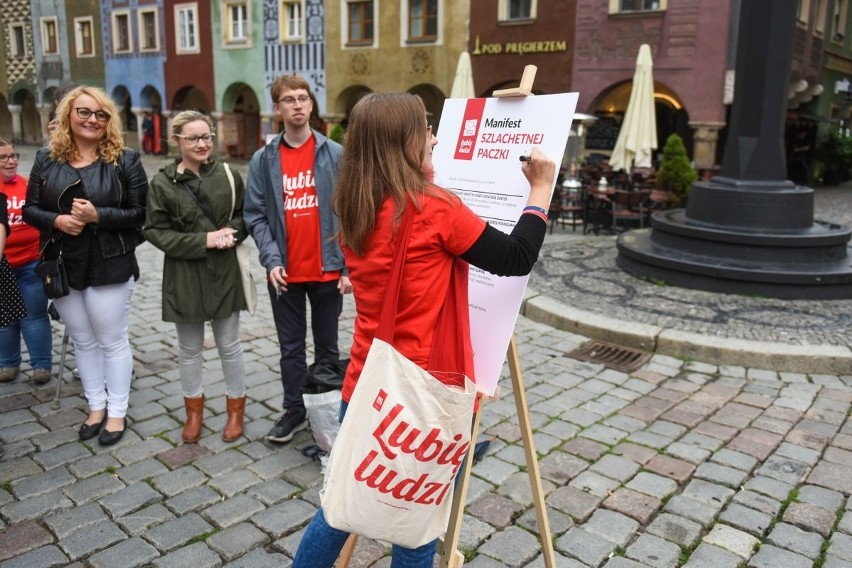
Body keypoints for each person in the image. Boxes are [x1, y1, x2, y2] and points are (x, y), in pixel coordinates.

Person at [291, 93, 556, 566]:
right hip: (424, 392)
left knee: (338, 508)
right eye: (425, 129)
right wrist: (540, 189)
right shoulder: (435, 208)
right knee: (414, 530)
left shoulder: (354, 201)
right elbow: (516, 257)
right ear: (404, 141)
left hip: (368, 381)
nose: (434, 136)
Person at [23, 86, 147, 446]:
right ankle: (95, 406)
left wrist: (98, 215)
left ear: (109, 120)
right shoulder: (47, 158)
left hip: (109, 260)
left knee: (111, 340)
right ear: (68, 115)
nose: (92, 120)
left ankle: (117, 411)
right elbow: (31, 209)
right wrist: (58, 222)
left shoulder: (125, 159)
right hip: (63, 261)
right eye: (84, 112)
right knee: (82, 340)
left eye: (101, 114)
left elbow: (141, 216)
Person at [244, 73, 352, 444]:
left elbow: (351, 211)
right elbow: (255, 213)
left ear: (311, 104)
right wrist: (271, 260)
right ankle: (294, 409)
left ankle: (327, 410)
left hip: (327, 270)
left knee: (328, 348)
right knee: (290, 348)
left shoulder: (334, 154)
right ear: (277, 108)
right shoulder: (264, 159)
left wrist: (348, 266)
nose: (298, 105)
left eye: (303, 98)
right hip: (285, 273)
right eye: (289, 99)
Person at [145, 110, 248, 443]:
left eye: (206, 136)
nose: (202, 143)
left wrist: (233, 233)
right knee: (189, 350)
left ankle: (236, 412)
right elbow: (154, 231)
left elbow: (245, 216)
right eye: (193, 138)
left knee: (229, 346)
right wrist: (202, 240)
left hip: (224, 272)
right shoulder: (162, 182)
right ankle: (194, 413)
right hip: (184, 273)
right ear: (177, 140)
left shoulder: (229, 175)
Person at [0, 138, 53, 384]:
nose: (11, 161)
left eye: (13, 156)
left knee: (34, 315)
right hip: (3, 266)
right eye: (4, 157)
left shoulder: (27, 185)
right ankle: (8, 363)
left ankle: (41, 365)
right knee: (5, 318)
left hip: (31, 262)